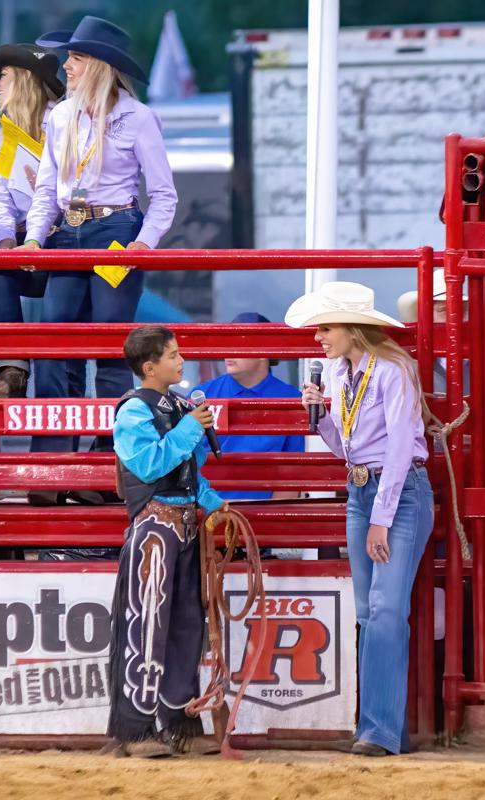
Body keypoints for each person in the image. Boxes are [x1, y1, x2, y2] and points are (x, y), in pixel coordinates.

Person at [17, 17, 178, 505]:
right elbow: (46, 186)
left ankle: (108, 465)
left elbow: (164, 194)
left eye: (77, 57)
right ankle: (53, 469)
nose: (66, 65)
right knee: (54, 347)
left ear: (101, 67)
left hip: (117, 231)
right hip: (69, 230)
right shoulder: (60, 115)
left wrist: (143, 244)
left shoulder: (138, 117)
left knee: (112, 350)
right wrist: (32, 238)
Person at [289, 281, 433, 757]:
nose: (319, 338)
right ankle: (376, 727)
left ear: (353, 329)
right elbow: (344, 446)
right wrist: (322, 418)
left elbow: (398, 449)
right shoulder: (337, 374)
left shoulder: (393, 371)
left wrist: (380, 518)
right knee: (373, 612)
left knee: (386, 611)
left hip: (396, 494)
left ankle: (379, 729)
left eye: (325, 328)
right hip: (361, 488)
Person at [105, 326, 226, 757]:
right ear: (149, 366)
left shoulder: (177, 406)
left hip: (185, 523)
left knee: (187, 623)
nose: (181, 361)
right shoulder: (133, 412)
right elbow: (149, 463)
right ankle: (136, 729)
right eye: (173, 356)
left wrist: (215, 504)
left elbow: (189, 474)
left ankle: (179, 723)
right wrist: (191, 428)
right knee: (147, 621)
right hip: (154, 526)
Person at [0, 43, 65, 399]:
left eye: (4, 76)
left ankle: (56, 376)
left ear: (25, 79)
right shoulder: (5, 137)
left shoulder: (64, 123)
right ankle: (13, 371)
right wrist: (5, 240)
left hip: (65, 236)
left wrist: (42, 236)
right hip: (26, 240)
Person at [191, 312, 304, 501]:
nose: (229, 351)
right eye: (227, 342)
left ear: (264, 351)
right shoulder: (201, 395)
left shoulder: (292, 398)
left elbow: (292, 473)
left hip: (264, 515)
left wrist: (272, 519)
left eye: (239, 342)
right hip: (207, 510)